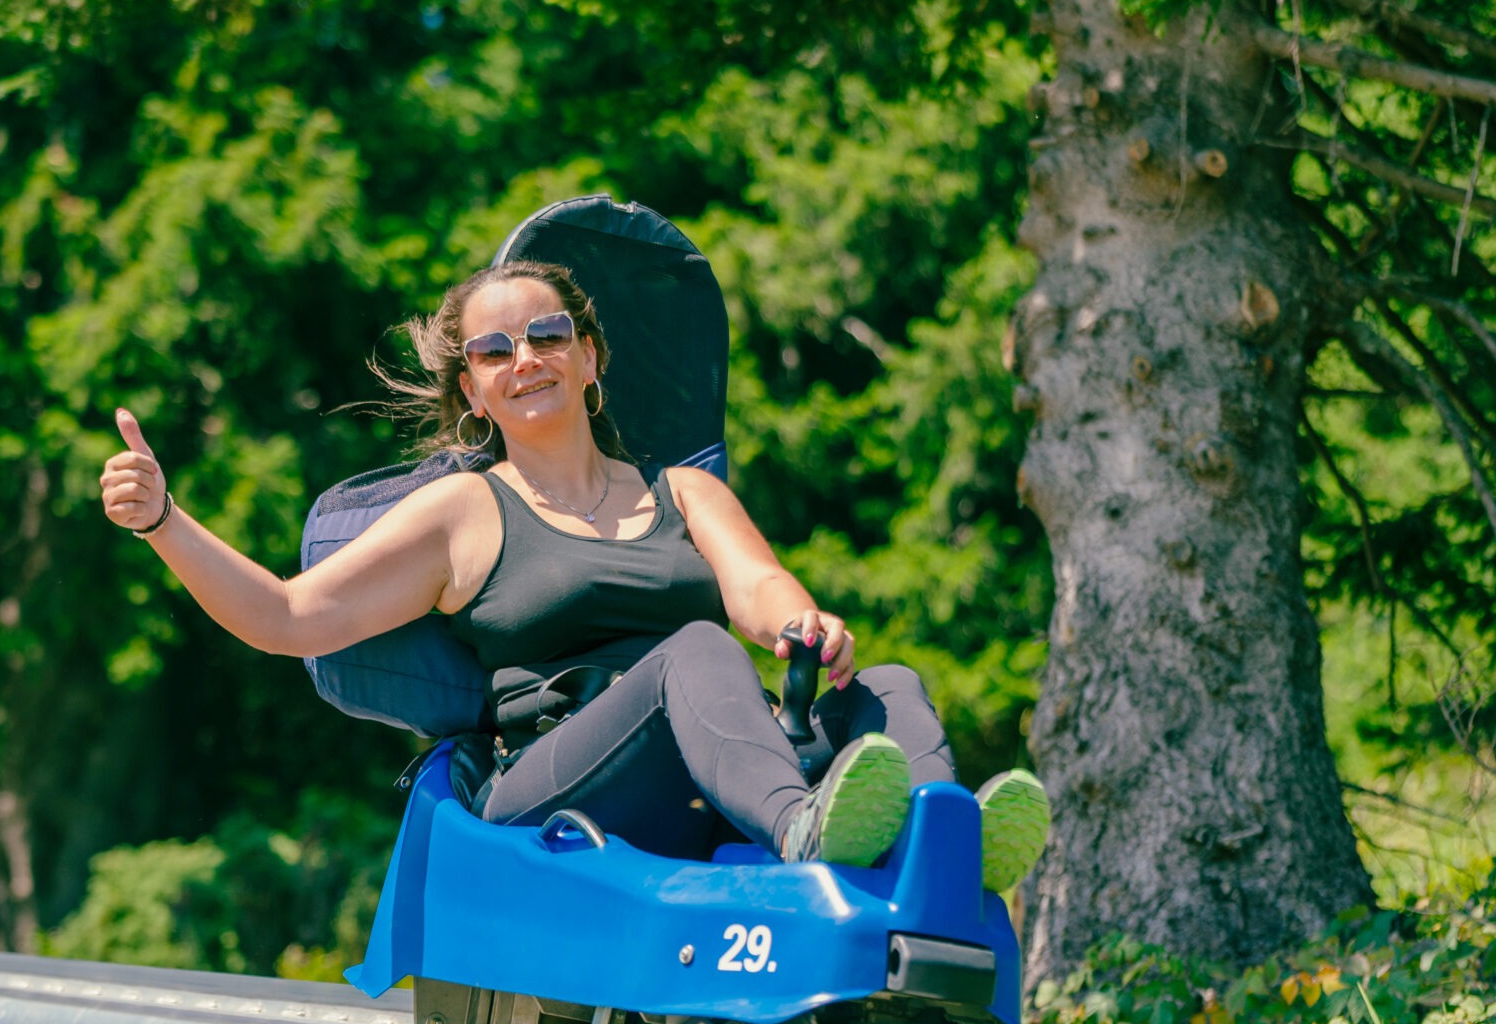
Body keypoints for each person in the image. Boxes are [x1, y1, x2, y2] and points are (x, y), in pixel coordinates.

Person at [100, 260, 1050, 887]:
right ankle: (803, 839)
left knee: (888, 685)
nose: (526, 360)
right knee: (691, 652)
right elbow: (289, 616)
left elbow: (760, 590)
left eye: (548, 335)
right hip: (557, 785)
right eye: (494, 350)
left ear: (590, 357)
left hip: (718, 752)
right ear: (472, 389)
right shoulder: (464, 509)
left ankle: (944, 854)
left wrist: (806, 624)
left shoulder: (684, 491)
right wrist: (164, 521)